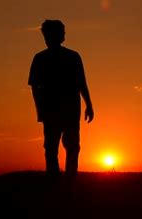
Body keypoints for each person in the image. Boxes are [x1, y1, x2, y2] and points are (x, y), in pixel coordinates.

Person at [28, 19, 94, 179]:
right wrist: (41, 110)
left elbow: (81, 83)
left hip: (65, 111)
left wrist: (89, 105)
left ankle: (65, 180)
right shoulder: (43, 58)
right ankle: (58, 181)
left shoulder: (70, 57)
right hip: (57, 111)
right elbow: (35, 87)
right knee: (55, 147)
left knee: (64, 147)